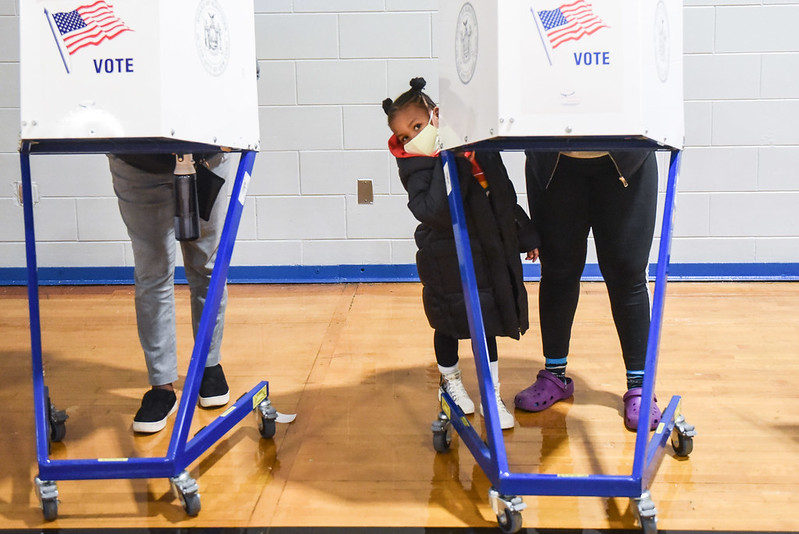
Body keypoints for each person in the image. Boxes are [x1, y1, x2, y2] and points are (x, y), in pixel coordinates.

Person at [383, 78, 540, 430]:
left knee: (488, 321)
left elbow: (502, 194)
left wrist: (525, 232)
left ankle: (491, 393)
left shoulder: (477, 147)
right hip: (445, 259)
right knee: (448, 323)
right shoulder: (415, 166)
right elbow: (434, 210)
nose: (412, 138)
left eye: (418, 127)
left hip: (487, 251)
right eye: (405, 136)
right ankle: (450, 380)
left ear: (436, 116)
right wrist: (446, 160)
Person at [513, 148, 663, 431]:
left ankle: (640, 385)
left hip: (626, 159)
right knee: (558, 270)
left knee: (627, 273)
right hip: (554, 160)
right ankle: (555, 375)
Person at [109, 151, 233, 433]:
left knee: (206, 267)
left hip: (205, 156)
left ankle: (209, 364)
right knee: (152, 273)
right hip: (137, 161)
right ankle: (161, 386)